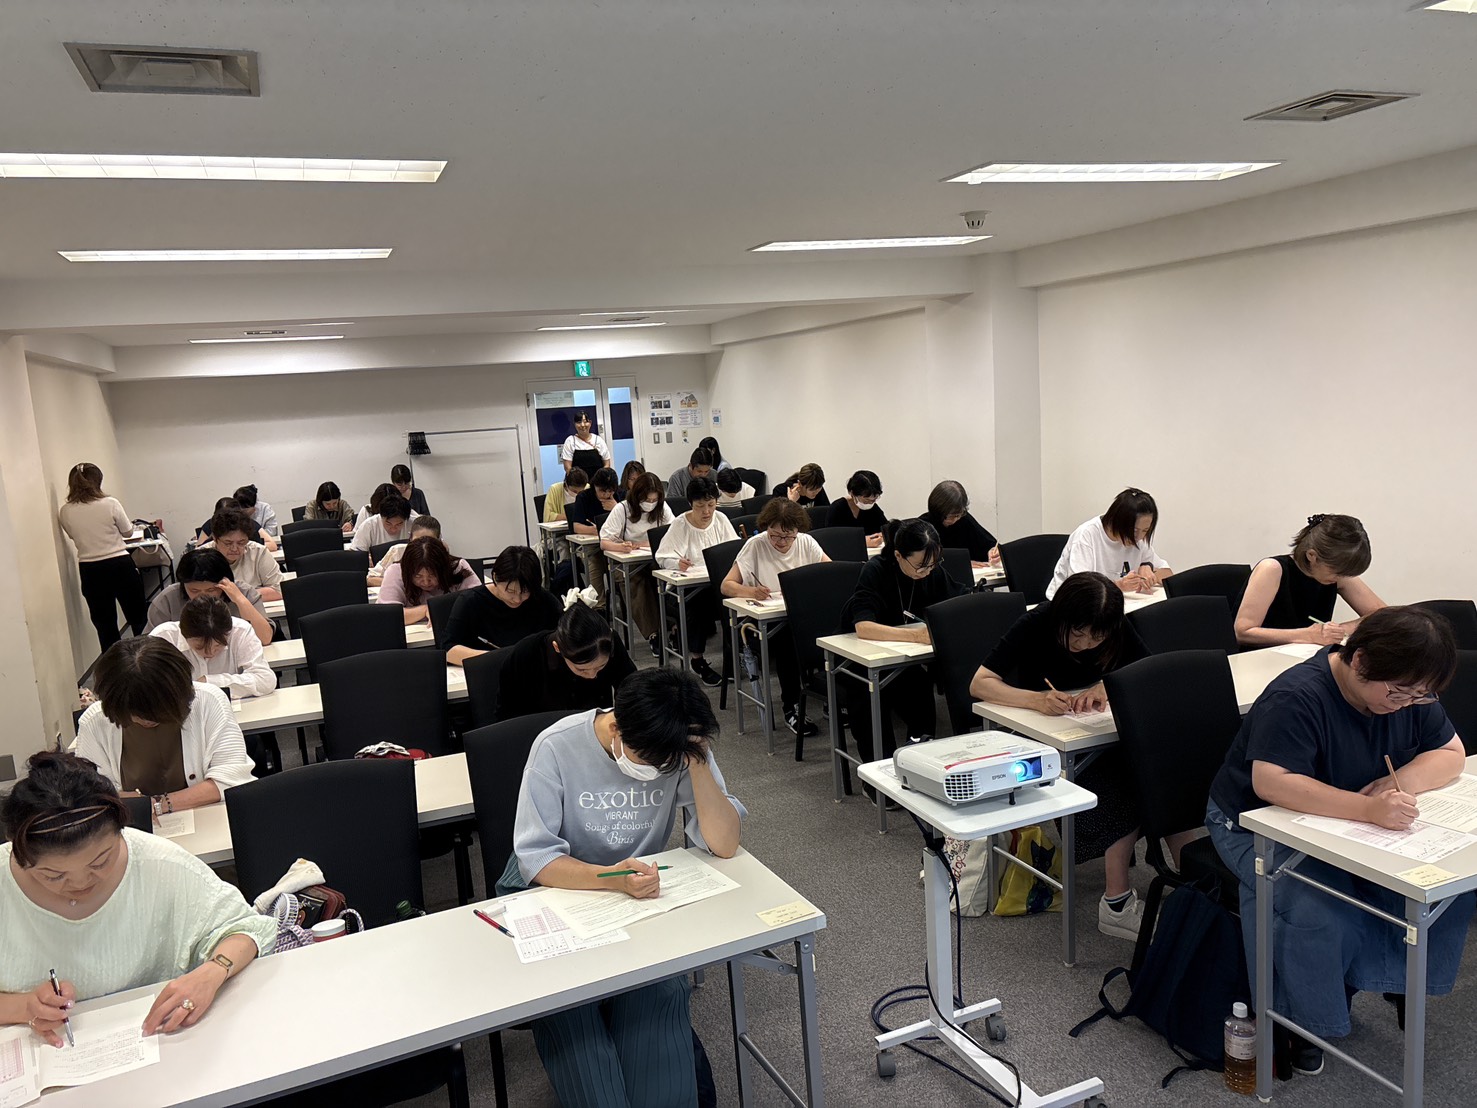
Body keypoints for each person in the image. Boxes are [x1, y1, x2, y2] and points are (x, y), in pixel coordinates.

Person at [1206, 607, 1471, 1076]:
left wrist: (1400, 783)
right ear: (1360, 660)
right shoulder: (1297, 696)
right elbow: (1271, 782)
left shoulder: (1408, 691)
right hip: (1253, 825)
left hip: (1342, 824)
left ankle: (1358, 984)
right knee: (1324, 909)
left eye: (1420, 695)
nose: (1406, 704)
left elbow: (1451, 752)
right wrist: (1367, 809)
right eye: (1398, 692)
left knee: (1447, 893)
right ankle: (1300, 1022)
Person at [498, 668, 744, 1108]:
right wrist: (612, 880)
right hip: (554, 886)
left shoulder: (675, 745)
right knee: (572, 1011)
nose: (653, 771)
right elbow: (536, 858)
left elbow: (724, 843)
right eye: (646, 759)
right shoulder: (556, 746)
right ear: (615, 728)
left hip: (634, 892)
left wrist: (698, 760)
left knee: (660, 992)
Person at [0, 751, 276, 1044]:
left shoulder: (161, 864)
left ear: (121, 832)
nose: (80, 883)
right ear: (18, 854)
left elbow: (247, 929)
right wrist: (24, 1006)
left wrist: (212, 971)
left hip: (165, 1043)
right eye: (54, 876)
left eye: (100, 862)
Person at [969, 571, 1178, 939]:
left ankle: (1191, 883)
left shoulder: (1113, 626)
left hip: (1096, 734)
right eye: (1078, 634)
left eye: (1097, 637)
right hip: (1041, 736)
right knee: (1117, 785)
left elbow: (1145, 671)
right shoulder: (1036, 622)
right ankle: (1116, 903)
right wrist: (1035, 700)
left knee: (1167, 771)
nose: (1085, 644)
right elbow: (980, 683)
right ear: (1062, 617)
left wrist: (1106, 687)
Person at [72, 637, 256, 814]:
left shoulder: (209, 701)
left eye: (156, 713)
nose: (147, 721)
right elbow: (89, 797)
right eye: (137, 714)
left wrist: (155, 805)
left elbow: (231, 779)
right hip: (131, 829)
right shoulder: (94, 722)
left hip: (207, 818)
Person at [841, 519, 964, 767]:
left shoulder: (931, 571)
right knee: (870, 698)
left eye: (933, 564)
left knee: (921, 691)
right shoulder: (876, 570)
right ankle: (879, 771)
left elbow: (959, 600)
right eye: (920, 566)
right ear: (898, 555)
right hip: (858, 663)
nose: (926, 571)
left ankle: (917, 763)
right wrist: (916, 636)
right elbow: (863, 627)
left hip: (903, 661)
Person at [721, 498, 830, 736]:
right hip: (760, 623)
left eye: (787, 536)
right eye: (774, 535)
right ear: (766, 528)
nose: (781, 542)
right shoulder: (755, 545)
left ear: (797, 531)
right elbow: (726, 585)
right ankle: (792, 707)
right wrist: (751, 591)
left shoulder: (806, 542)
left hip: (798, 616)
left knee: (831, 635)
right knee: (789, 642)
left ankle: (829, 697)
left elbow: (830, 574)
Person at [1236, 514, 1386, 648]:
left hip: (1306, 656)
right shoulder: (1272, 569)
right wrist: (1307, 635)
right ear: (1312, 556)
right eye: (1336, 571)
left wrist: (1338, 630)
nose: (1340, 577)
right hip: (1258, 656)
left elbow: (1381, 614)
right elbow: (1243, 632)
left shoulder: (1337, 576)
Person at [57, 462, 149, 652]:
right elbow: (128, 532)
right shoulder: (110, 503)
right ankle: (146, 657)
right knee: (138, 616)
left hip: (90, 569)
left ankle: (113, 664)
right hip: (119, 564)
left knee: (105, 625)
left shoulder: (65, 511)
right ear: (98, 481)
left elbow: (73, 536)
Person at [655, 476, 737, 685]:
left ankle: (733, 658)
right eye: (700, 506)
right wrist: (677, 563)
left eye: (711, 505)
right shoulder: (680, 524)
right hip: (685, 590)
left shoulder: (721, 520)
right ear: (690, 504)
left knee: (734, 603)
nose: (707, 511)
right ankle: (697, 660)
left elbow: (734, 551)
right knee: (698, 605)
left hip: (715, 584)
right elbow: (662, 556)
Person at [497, 602, 638, 720]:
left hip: (595, 728)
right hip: (541, 732)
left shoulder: (608, 642)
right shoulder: (526, 656)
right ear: (557, 648)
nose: (592, 675)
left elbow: (631, 688)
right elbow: (508, 716)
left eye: (601, 666)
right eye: (582, 669)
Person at [442, 546, 562, 664]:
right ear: (495, 577)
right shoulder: (471, 601)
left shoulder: (542, 599)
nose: (517, 599)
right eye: (510, 591)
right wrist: (497, 658)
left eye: (525, 592)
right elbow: (448, 649)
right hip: (488, 670)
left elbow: (565, 635)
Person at [1047, 487, 1172, 599]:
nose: (1139, 537)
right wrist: (1118, 586)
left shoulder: (1139, 540)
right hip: (1071, 607)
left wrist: (1149, 569)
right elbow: (1081, 591)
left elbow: (1169, 574)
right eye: (1134, 531)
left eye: (1145, 530)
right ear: (1117, 521)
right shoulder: (1086, 536)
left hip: (1120, 606)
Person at [600, 472, 675, 657]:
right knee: (636, 582)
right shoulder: (622, 509)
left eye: (654, 500)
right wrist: (620, 546)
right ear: (637, 496)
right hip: (628, 563)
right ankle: (654, 634)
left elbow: (674, 533)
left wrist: (643, 544)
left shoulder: (662, 508)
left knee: (670, 579)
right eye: (647, 500)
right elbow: (604, 542)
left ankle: (675, 628)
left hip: (655, 559)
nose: (650, 503)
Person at [150, 596, 277, 698]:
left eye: (218, 645)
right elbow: (147, 686)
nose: (210, 652)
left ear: (228, 633)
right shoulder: (163, 637)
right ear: (184, 634)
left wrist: (210, 682)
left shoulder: (240, 631)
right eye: (199, 646)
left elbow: (266, 680)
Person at [146, 549, 273, 646]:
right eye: (194, 590)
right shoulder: (167, 599)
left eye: (211, 590)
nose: (203, 596)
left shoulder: (244, 593)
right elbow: (149, 646)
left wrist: (240, 600)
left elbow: (265, 638)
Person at [377, 535, 479, 625]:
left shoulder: (458, 567)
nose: (426, 582)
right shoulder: (396, 572)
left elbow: (478, 603)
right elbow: (388, 615)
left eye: (432, 575)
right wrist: (425, 610)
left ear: (444, 569)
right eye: (418, 576)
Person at [567, 467, 624, 611]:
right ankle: (599, 607)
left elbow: (629, 523)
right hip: (592, 546)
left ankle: (627, 604)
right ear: (594, 486)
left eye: (610, 491)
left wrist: (617, 508)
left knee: (625, 570)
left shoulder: (619, 497)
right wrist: (596, 530)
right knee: (594, 563)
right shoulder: (584, 497)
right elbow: (576, 526)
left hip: (615, 546)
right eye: (602, 491)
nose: (606, 495)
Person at [199, 507, 283, 602]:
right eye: (228, 543)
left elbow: (279, 590)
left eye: (241, 542)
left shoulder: (259, 553)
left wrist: (237, 595)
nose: (234, 549)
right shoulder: (200, 557)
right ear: (215, 538)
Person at [921, 479, 1000, 567]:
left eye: (958, 515)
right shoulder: (923, 526)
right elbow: (922, 560)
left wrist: (993, 551)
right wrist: (961, 563)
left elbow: (987, 543)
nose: (955, 520)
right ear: (938, 511)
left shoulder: (963, 519)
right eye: (951, 516)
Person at [368, 514, 445, 584]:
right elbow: (370, 579)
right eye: (417, 541)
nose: (423, 545)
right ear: (410, 538)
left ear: (439, 541)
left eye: (430, 542)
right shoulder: (398, 551)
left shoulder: (443, 556)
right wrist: (400, 583)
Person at [825, 470, 888, 549]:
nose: (870, 503)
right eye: (866, 500)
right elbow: (832, 539)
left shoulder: (873, 509)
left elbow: (886, 528)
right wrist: (861, 542)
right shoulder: (837, 509)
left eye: (874, 499)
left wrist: (882, 535)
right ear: (852, 493)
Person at [560, 411, 612, 475]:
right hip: (576, 480)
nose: (582, 425)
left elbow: (607, 465)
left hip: (597, 480)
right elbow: (568, 468)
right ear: (574, 424)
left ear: (590, 423)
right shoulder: (570, 441)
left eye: (585, 422)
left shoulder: (598, 440)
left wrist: (601, 478)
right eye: (579, 422)